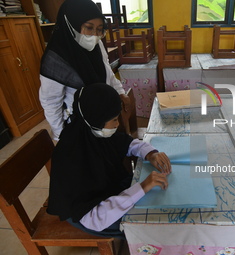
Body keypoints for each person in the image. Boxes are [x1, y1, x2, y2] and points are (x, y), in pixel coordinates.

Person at [47, 83, 171, 238]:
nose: (118, 124)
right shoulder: (71, 158)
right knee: (154, 225)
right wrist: (143, 187)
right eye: (113, 119)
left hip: (108, 192)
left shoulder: (92, 131)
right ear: (96, 119)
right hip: (90, 215)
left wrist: (150, 153)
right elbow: (95, 218)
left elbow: (127, 143)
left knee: (158, 201)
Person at [39, 0, 129, 141]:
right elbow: (51, 102)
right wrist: (60, 134)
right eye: (89, 27)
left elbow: (107, 71)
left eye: (99, 29)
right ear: (71, 24)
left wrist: (120, 92)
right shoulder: (56, 60)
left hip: (102, 115)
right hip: (78, 122)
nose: (94, 34)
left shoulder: (96, 43)